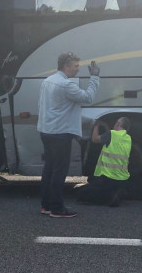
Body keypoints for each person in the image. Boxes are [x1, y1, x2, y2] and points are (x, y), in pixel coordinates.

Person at [37, 52, 100, 218]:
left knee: (49, 170)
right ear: (66, 66)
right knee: (59, 172)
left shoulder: (47, 81)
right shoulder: (66, 85)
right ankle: (57, 209)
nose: (78, 70)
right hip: (61, 133)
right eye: (76, 66)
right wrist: (94, 77)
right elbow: (88, 98)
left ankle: (46, 206)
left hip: (46, 131)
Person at [76, 117, 132, 207]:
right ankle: (118, 192)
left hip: (108, 177)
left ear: (117, 124)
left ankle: (110, 198)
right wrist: (106, 127)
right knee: (96, 183)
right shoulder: (128, 138)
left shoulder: (111, 134)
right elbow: (111, 137)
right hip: (122, 179)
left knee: (81, 194)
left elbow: (95, 139)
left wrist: (96, 125)